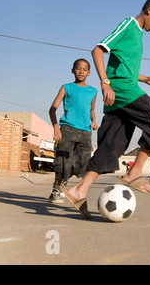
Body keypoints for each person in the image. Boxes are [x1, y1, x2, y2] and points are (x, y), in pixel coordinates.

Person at [61, 0, 150, 219]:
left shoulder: (138, 36)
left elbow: (124, 68)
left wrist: (145, 78)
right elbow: (97, 50)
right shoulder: (129, 24)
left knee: (112, 146)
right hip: (122, 92)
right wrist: (104, 83)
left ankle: (78, 190)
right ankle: (135, 172)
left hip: (122, 94)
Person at [47, 58, 98, 203]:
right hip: (67, 130)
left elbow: (91, 110)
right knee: (63, 163)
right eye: (78, 68)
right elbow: (52, 109)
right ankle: (56, 191)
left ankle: (64, 184)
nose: (81, 71)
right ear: (73, 70)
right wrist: (56, 127)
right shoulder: (66, 87)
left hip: (85, 132)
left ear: (89, 73)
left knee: (84, 165)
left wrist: (93, 121)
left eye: (84, 69)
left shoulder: (93, 91)